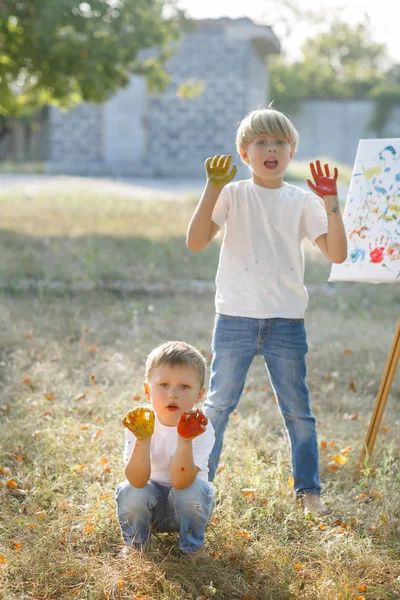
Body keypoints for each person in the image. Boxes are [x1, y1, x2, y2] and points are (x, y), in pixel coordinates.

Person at [186, 106, 347, 516]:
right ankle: (199, 486)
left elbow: (338, 253)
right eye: (261, 142)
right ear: (245, 153)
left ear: (291, 152)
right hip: (235, 318)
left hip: (286, 323)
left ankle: (309, 492)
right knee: (217, 406)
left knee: (297, 411)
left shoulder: (302, 201)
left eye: (279, 143)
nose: (270, 149)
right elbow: (196, 241)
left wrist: (331, 202)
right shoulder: (232, 194)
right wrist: (211, 187)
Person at [115, 341, 215, 557]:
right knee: (130, 491)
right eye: (163, 385)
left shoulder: (201, 427)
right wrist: (143, 438)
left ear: (200, 394)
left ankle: (192, 547)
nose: (173, 394)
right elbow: (136, 481)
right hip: (152, 506)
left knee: (192, 491)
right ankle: (135, 545)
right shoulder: (139, 421)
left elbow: (182, 483)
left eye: (184, 387)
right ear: (147, 390)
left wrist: (185, 439)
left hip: (188, 508)